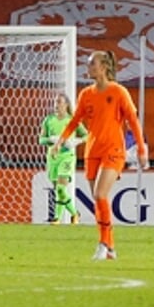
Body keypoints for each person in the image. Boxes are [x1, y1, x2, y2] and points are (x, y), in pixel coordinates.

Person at [51, 50, 148, 260]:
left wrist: (141, 149)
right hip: (92, 152)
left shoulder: (119, 92)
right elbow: (75, 121)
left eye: (91, 64)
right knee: (99, 201)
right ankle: (111, 247)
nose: (88, 67)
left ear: (103, 67)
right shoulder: (86, 94)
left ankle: (103, 243)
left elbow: (133, 121)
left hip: (113, 150)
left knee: (99, 194)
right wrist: (60, 141)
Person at [40, 92, 88, 224]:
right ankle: (74, 213)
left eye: (59, 102)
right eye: (55, 102)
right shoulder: (48, 120)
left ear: (66, 105)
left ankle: (57, 218)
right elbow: (40, 140)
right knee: (58, 190)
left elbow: (87, 136)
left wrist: (76, 141)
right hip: (53, 157)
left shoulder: (73, 120)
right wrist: (50, 139)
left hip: (67, 157)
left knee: (61, 189)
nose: (56, 105)